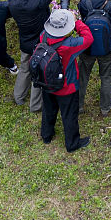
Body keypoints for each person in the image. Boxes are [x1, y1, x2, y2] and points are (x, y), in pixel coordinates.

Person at [32, 8, 92, 152]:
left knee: (48, 110)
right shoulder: (69, 45)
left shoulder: (43, 36)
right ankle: (72, 144)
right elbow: (88, 38)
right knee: (69, 115)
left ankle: (46, 135)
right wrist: (76, 21)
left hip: (46, 83)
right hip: (66, 86)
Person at [8, 0, 59, 114]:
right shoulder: (38, 2)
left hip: (25, 42)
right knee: (38, 73)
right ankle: (35, 106)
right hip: (40, 44)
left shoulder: (12, 3)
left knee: (24, 69)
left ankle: (18, 97)